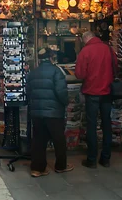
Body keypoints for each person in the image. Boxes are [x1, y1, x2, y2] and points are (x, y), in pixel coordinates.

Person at [26, 48, 73, 177]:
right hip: (54, 112)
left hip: (37, 113)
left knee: (38, 140)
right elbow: (61, 92)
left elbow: (28, 92)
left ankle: (37, 168)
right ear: (51, 57)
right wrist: (65, 103)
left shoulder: (32, 73)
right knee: (59, 139)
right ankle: (60, 166)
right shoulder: (56, 72)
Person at [75, 31, 117, 169]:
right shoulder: (108, 49)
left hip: (92, 93)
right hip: (107, 93)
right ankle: (106, 158)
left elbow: (79, 74)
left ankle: (92, 159)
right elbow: (115, 68)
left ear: (85, 39)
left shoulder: (85, 51)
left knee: (91, 126)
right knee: (106, 125)